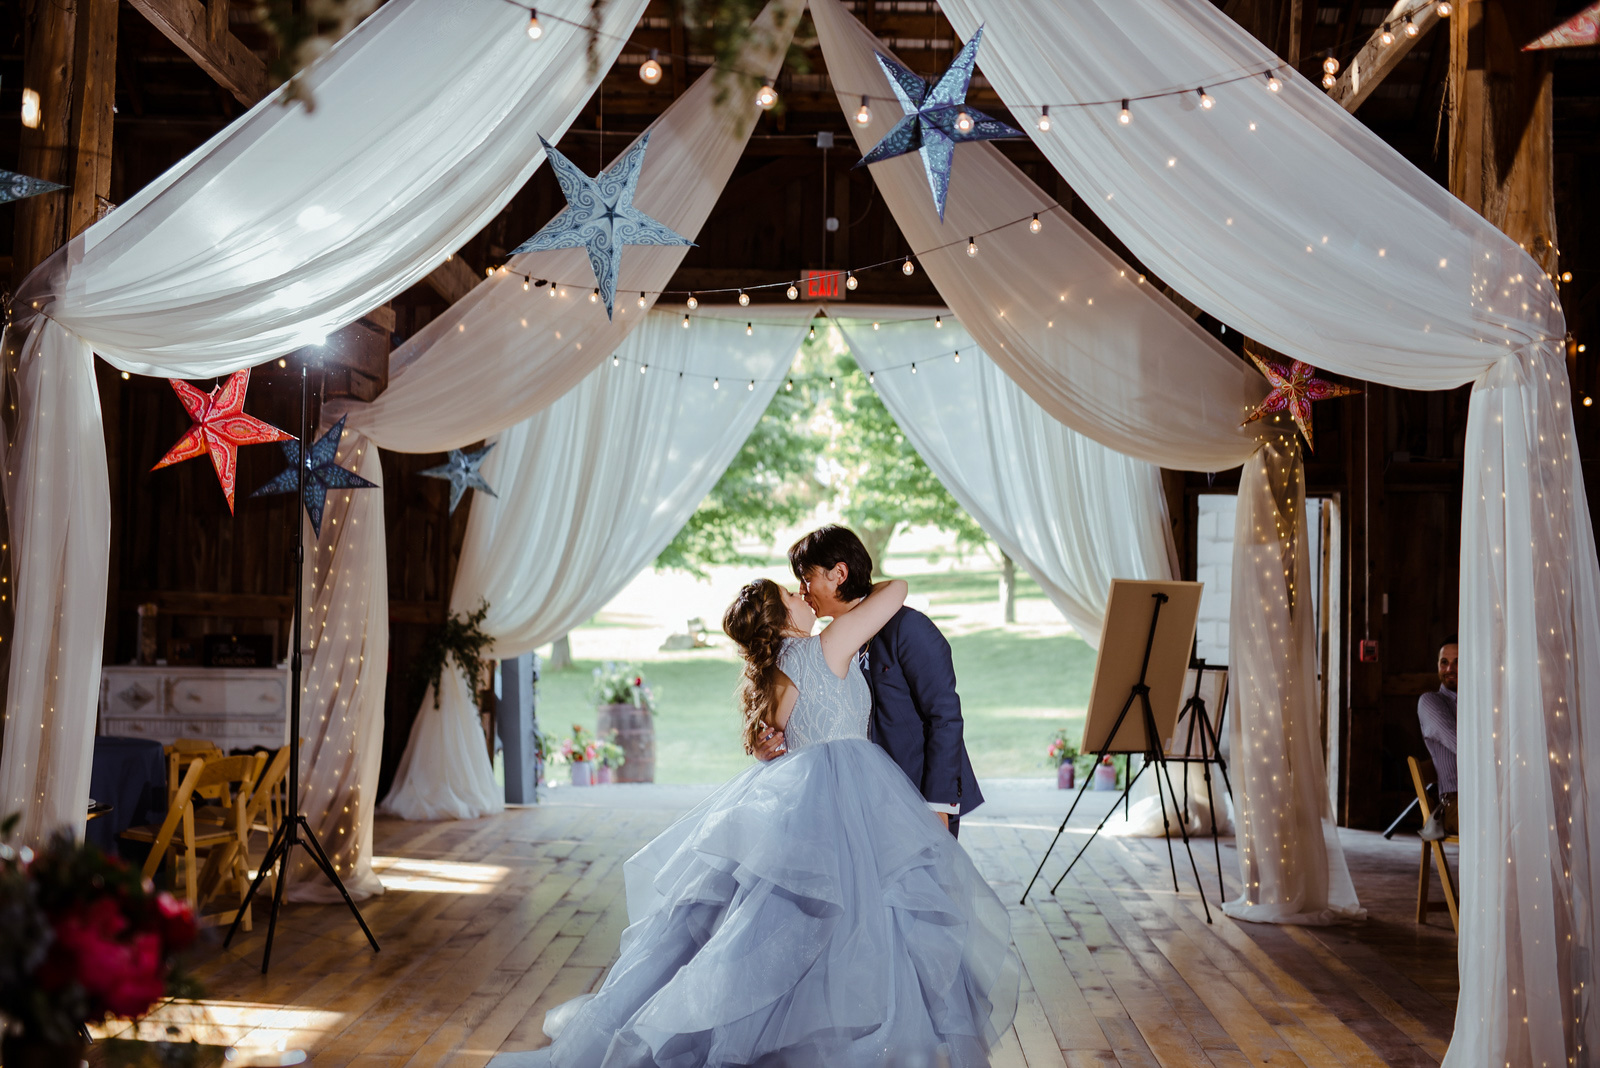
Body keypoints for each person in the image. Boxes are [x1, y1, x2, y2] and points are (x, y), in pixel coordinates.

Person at [489, 576, 1018, 1067]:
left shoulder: (776, 670)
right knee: (861, 909)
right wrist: (845, 592)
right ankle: (851, 1026)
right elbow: (897, 588)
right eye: (796, 595)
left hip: (798, 792)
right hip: (848, 789)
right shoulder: (825, 647)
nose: (807, 599)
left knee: (780, 916)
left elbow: (776, 737)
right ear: (782, 620)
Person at [753, 525, 983, 837]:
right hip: (860, 808)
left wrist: (937, 806)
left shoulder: (910, 628)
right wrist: (764, 745)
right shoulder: (824, 648)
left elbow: (945, 718)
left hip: (918, 799)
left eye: (807, 579)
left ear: (839, 573)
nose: (803, 591)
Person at [1418, 637, 1458, 841]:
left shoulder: (1481, 703)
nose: (1450, 668)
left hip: (1490, 797)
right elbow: (1461, 745)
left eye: (1457, 662)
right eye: (1444, 662)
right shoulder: (1431, 702)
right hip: (1456, 803)